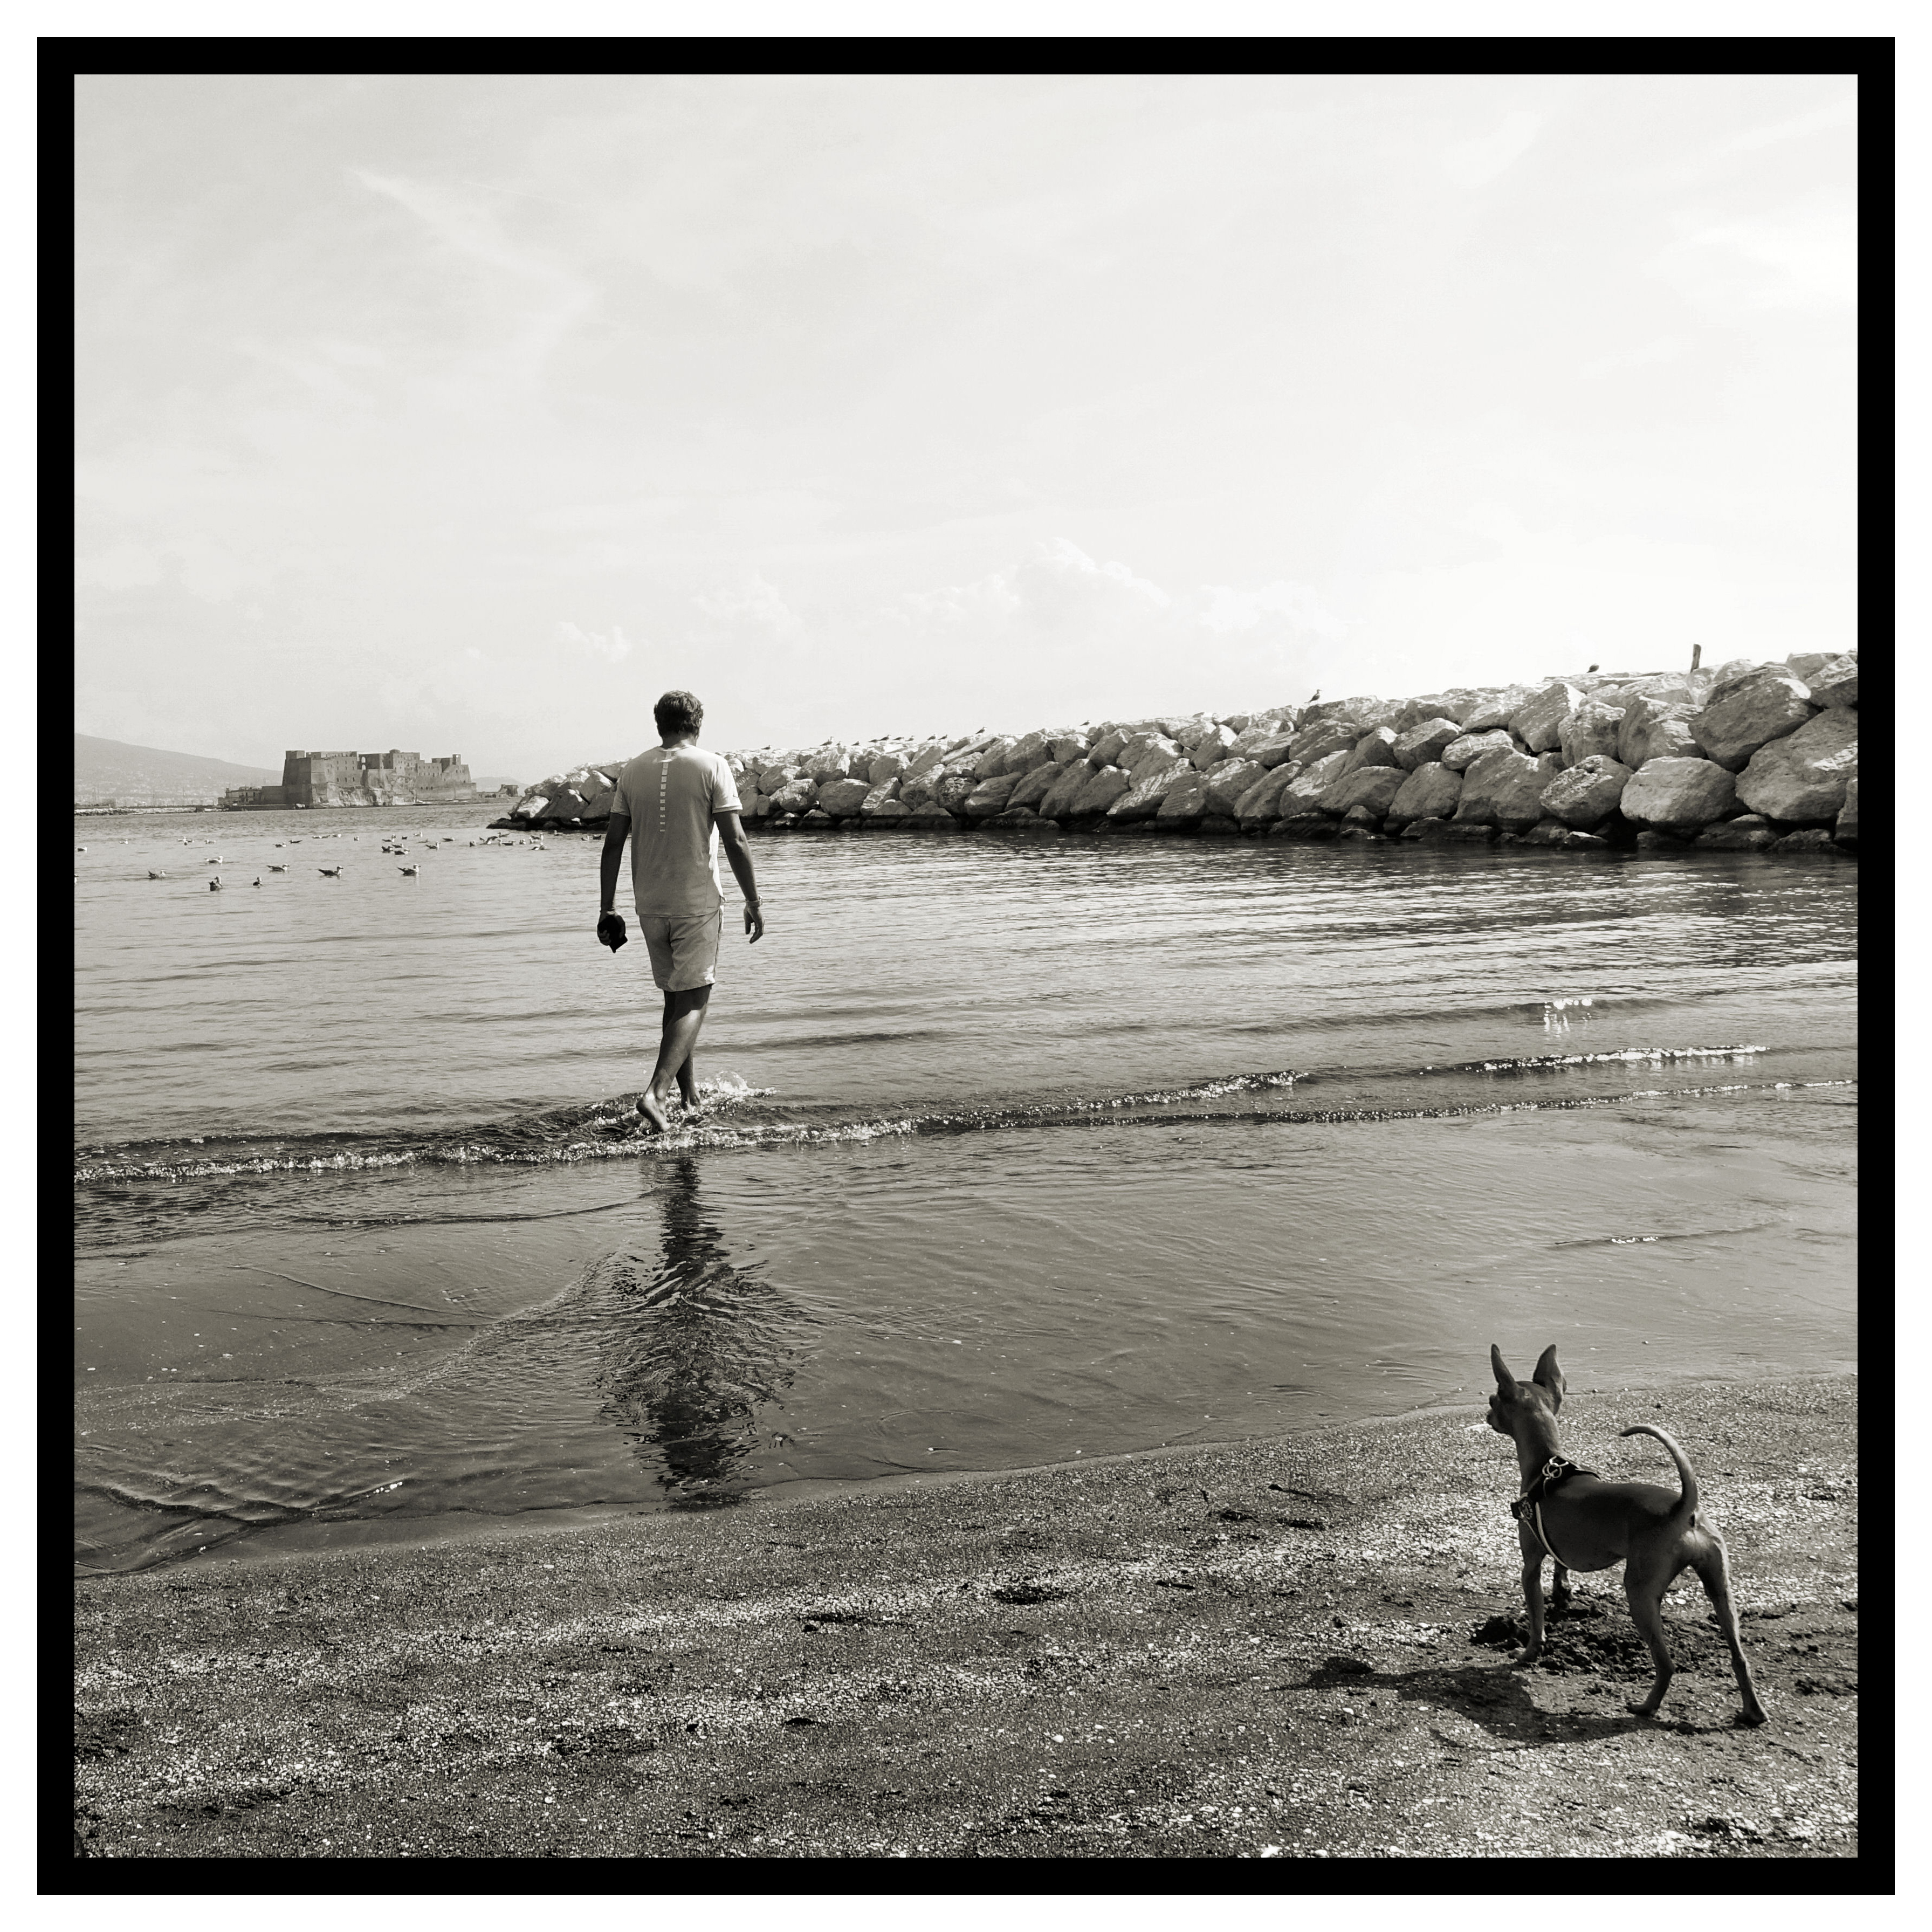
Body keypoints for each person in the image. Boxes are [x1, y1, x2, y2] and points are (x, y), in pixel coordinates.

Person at [599, 690, 764, 1133]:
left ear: (659, 724)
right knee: (696, 999)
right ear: (698, 723)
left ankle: (687, 1098)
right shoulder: (712, 765)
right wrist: (754, 900)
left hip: (649, 904)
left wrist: (607, 906)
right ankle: (655, 1093)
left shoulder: (632, 770)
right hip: (696, 904)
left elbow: (613, 843)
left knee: (676, 997)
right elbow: (735, 840)